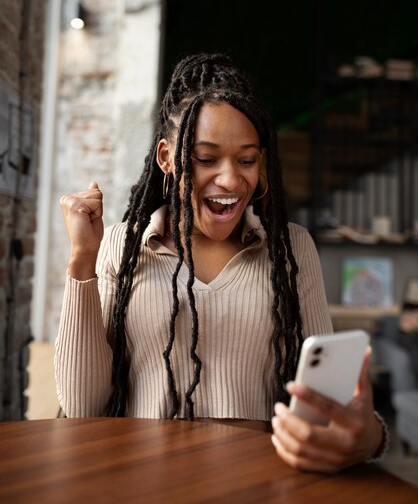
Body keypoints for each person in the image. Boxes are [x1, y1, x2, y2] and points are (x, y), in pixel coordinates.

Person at [56, 52, 387, 473]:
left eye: (246, 160)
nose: (230, 180)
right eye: (206, 158)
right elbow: (83, 405)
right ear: (166, 158)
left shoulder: (292, 248)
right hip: (141, 479)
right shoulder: (123, 245)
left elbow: (325, 407)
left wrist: (368, 436)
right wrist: (82, 260)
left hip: (258, 482)